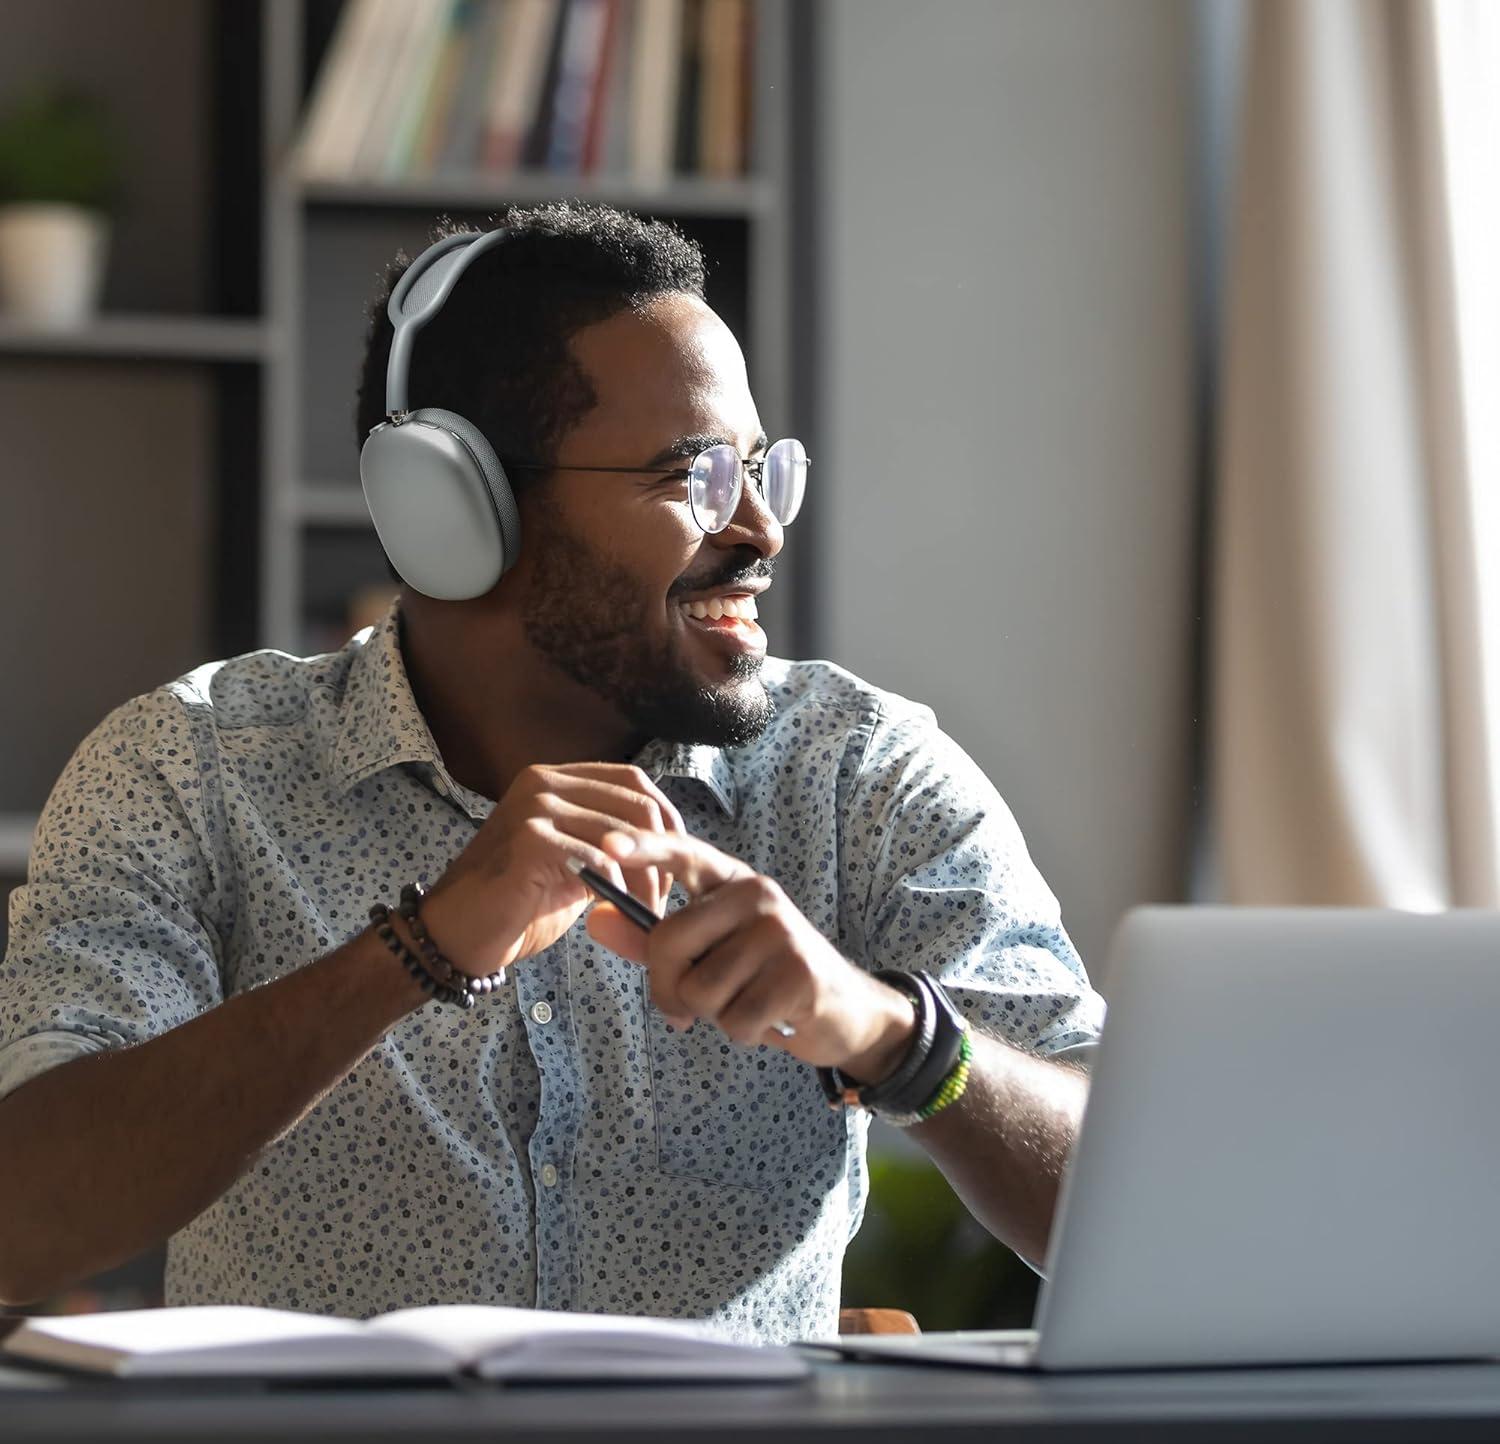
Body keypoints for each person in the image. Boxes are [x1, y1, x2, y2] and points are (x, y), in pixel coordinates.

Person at [0, 203, 1102, 1340]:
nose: (764, 529)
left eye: (765, 470)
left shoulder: (859, 774)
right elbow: (23, 1224)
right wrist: (415, 952)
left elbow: (1146, 1194)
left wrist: (891, 1038)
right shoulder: (194, 768)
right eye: (698, 477)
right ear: (454, 509)